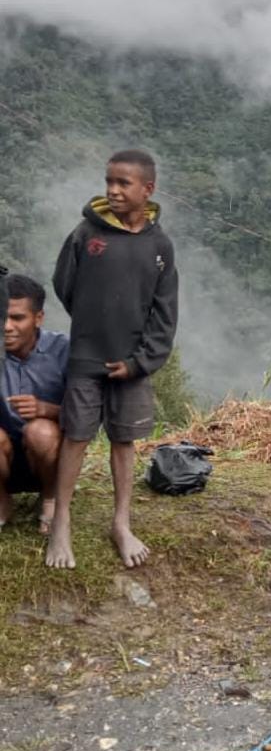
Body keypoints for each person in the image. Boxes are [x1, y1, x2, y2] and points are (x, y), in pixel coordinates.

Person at [46, 149, 180, 569]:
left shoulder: (159, 245)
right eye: (110, 182)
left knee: (123, 441)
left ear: (148, 189)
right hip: (87, 358)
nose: (114, 190)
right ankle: (61, 521)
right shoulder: (87, 235)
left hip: (132, 364)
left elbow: (164, 312)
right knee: (76, 436)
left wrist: (140, 362)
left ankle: (121, 522)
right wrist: (90, 326)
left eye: (124, 183)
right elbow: (64, 284)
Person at [0, 274, 69, 534]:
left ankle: (50, 498)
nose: (6, 326)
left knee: (40, 431)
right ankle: (2, 500)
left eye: (17, 318)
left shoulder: (64, 351)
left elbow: (89, 416)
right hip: (4, 456)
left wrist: (45, 410)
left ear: (38, 318)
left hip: (48, 458)